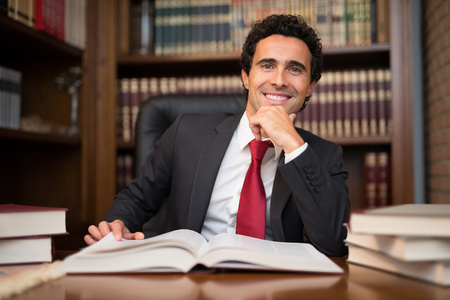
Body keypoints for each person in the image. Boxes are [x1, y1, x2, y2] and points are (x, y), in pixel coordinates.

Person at [85, 14, 350, 256]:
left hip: (274, 285)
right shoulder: (186, 133)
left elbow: (333, 242)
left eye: (294, 69)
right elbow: (137, 199)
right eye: (267, 65)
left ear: (310, 86)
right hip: (192, 279)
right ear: (246, 77)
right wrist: (118, 224)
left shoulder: (323, 156)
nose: (280, 80)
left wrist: (293, 145)